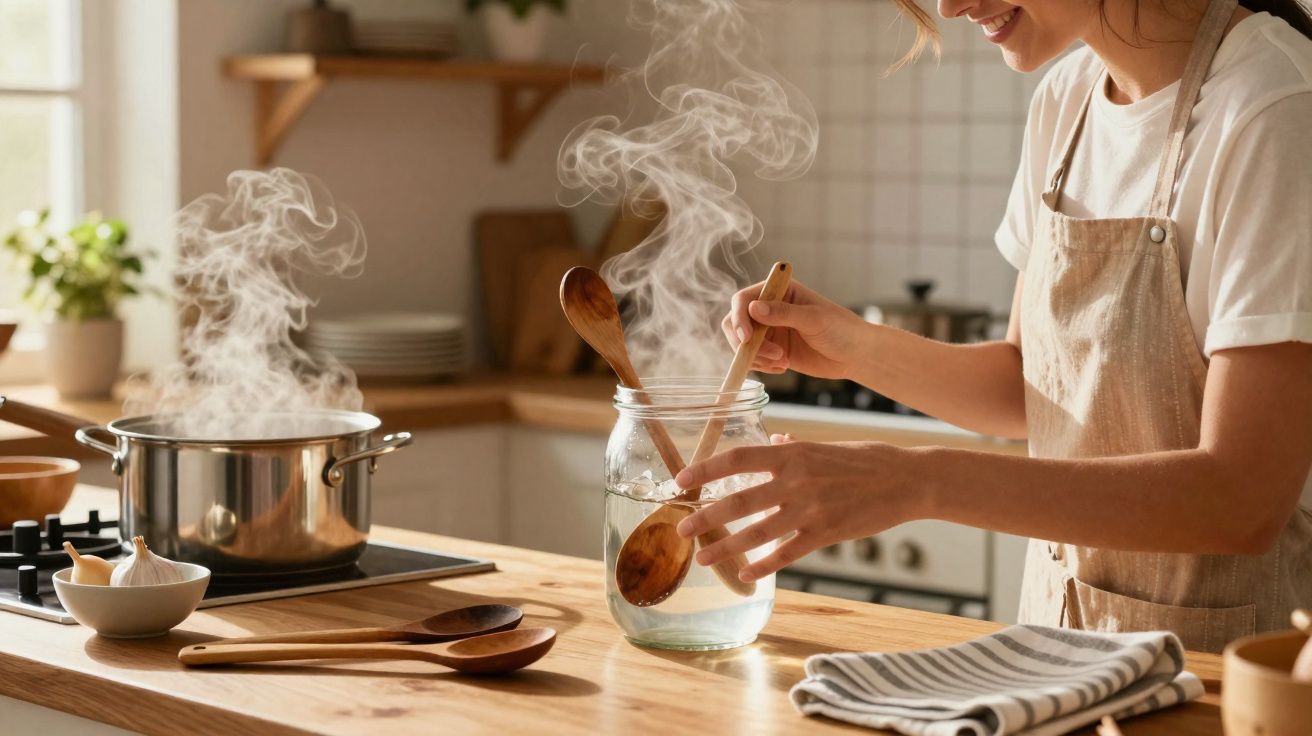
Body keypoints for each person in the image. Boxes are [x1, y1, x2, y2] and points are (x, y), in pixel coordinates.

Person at [673, 0, 1312, 653]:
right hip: (1056, 655)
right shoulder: (1067, 102)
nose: (950, 7)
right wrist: (852, 345)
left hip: (1221, 676)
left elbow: (1243, 499)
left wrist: (913, 479)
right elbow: (1028, 386)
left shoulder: (1275, 109)